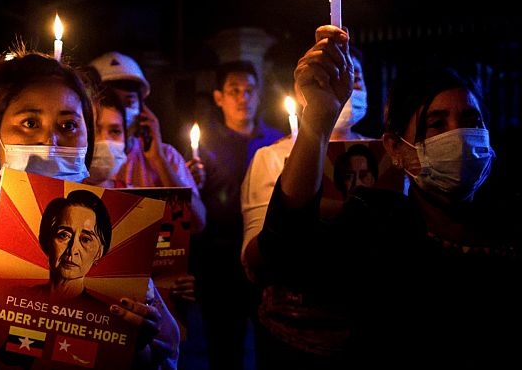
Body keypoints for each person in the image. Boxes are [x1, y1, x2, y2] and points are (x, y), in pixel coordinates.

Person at [0, 51, 180, 370]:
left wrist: (138, 348)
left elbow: (163, 358)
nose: (50, 140)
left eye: (69, 124)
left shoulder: (117, 243)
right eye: (29, 123)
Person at [255, 25, 521, 368]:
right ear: (396, 148)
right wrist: (318, 119)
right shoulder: (375, 226)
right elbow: (286, 247)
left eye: (470, 120)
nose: (458, 134)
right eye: (436, 124)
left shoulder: (510, 221)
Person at [241, 45, 373, 274]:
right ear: (301, 88)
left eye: (355, 78)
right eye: (330, 78)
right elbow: (255, 263)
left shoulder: (384, 153)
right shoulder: (271, 158)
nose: (346, 89)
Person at [188, 60, 283, 370]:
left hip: (268, 261)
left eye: (249, 90)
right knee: (224, 349)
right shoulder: (206, 145)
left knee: (273, 346)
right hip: (219, 265)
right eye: (234, 91)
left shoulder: (279, 141)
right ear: (219, 97)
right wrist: (193, 181)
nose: (243, 98)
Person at [88, 51, 206, 233]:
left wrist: (158, 161)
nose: (119, 111)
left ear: (143, 108)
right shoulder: (77, 157)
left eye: (129, 101)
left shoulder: (165, 155)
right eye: (111, 101)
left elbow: (197, 222)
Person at [34, 189, 112, 301]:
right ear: (46, 240)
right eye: (64, 235)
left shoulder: (103, 314)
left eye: (85, 239)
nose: (72, 250)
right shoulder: (15, 296)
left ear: (99, 252)